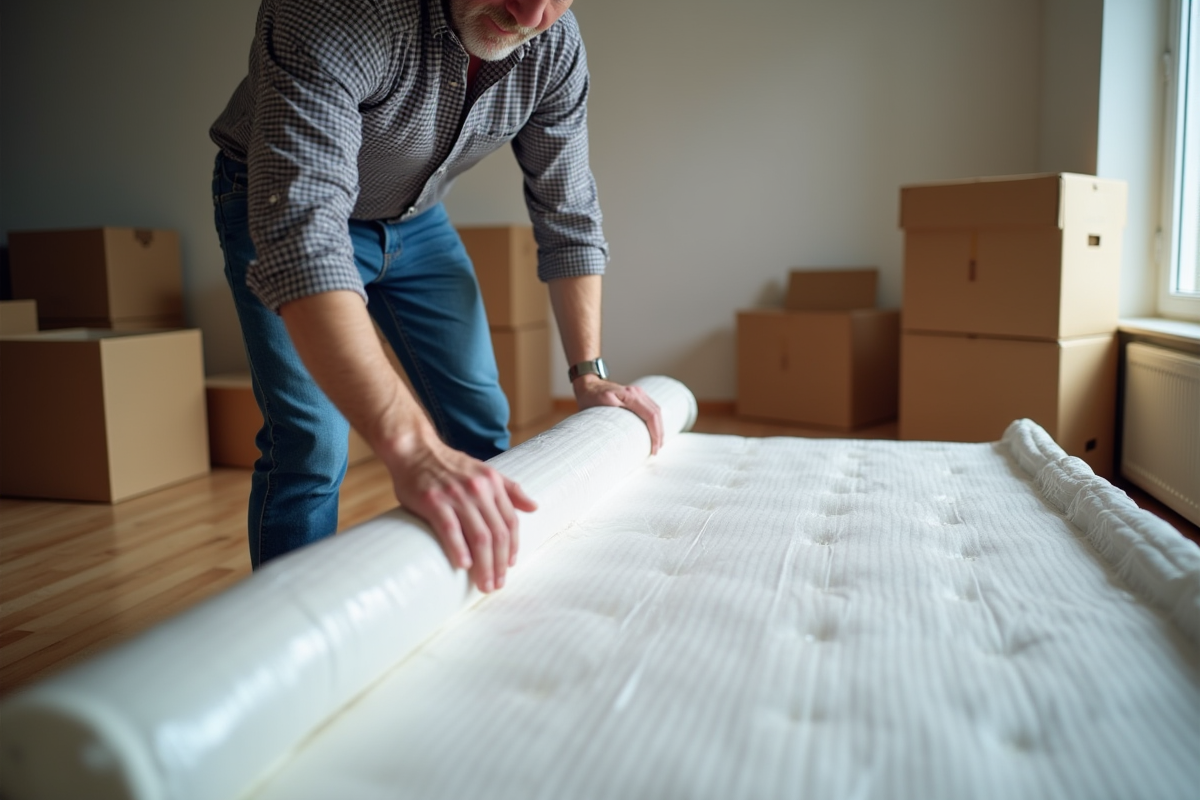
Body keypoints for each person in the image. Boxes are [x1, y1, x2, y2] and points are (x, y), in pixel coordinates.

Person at [209, 0, 662, 595]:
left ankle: (486, 584)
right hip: (281, 207)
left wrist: (589, 373)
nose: (531, 13)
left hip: (417, 220)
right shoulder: (333, 12)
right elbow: (306, 242)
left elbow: (568, 210)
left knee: (480, 422)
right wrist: (411, 448)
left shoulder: (555, 43)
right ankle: (287, 629)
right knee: (311, 442)